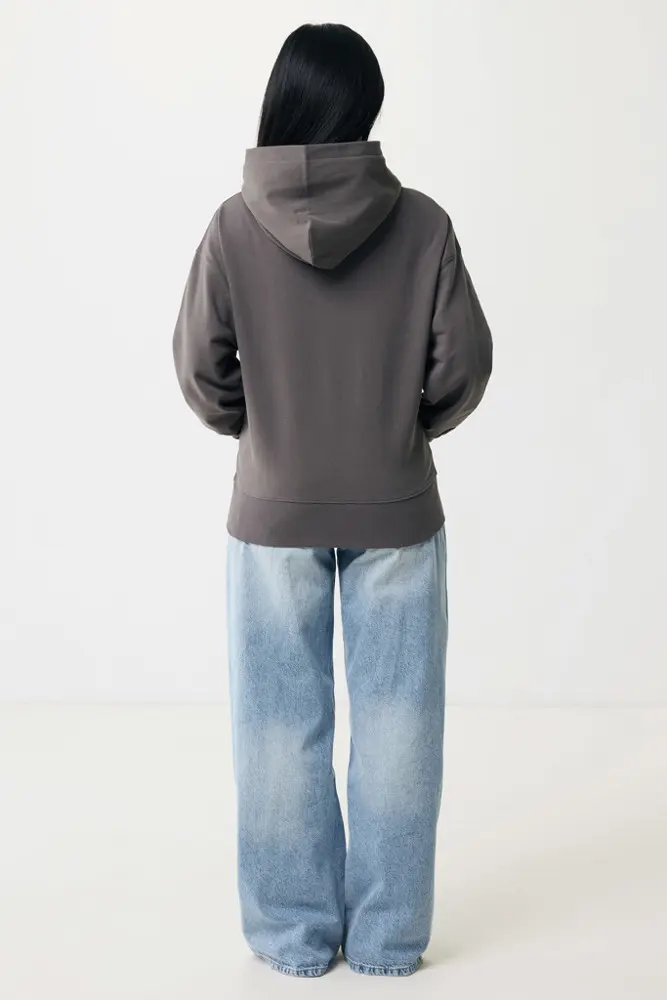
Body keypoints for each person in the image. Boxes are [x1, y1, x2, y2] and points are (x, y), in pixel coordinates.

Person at [173, 22, 492, 979]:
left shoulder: (233, 225)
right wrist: (404, 428)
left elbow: (199, 370)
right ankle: (389, 938)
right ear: (364, 107)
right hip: (395, 506)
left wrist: (262, 436)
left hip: (273, 512)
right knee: (399, 725)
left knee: (278, 727)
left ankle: (292, 934)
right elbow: (465, 365)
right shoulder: (423, 225)